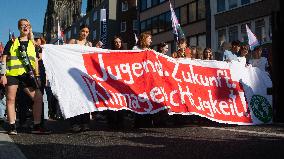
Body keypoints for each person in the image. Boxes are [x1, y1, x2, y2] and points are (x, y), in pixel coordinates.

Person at [0, 18, 50, 135]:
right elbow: (3, 59)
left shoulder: (33, 44)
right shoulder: (12, 42)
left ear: (30, 27)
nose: (25, 27)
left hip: (28, 76)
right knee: (10, 99)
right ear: (19, 28)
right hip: (13, 74)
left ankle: (36, 126)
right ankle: (12, 126)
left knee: (38, 98)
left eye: (27, 25)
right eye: (22, 25)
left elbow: (36, 62)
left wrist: (37, 76)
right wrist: (3, 74)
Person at [68, 24, 92, 132]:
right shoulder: (73, 42)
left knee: (85, 98)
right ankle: (75, 123)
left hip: (85, 73)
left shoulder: (89, 44)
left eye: (87, 32)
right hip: (74, 73)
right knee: (75, 98)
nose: (85, 33)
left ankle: (85, 122)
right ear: (79, 31)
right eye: (83, 31)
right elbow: (64, 54)